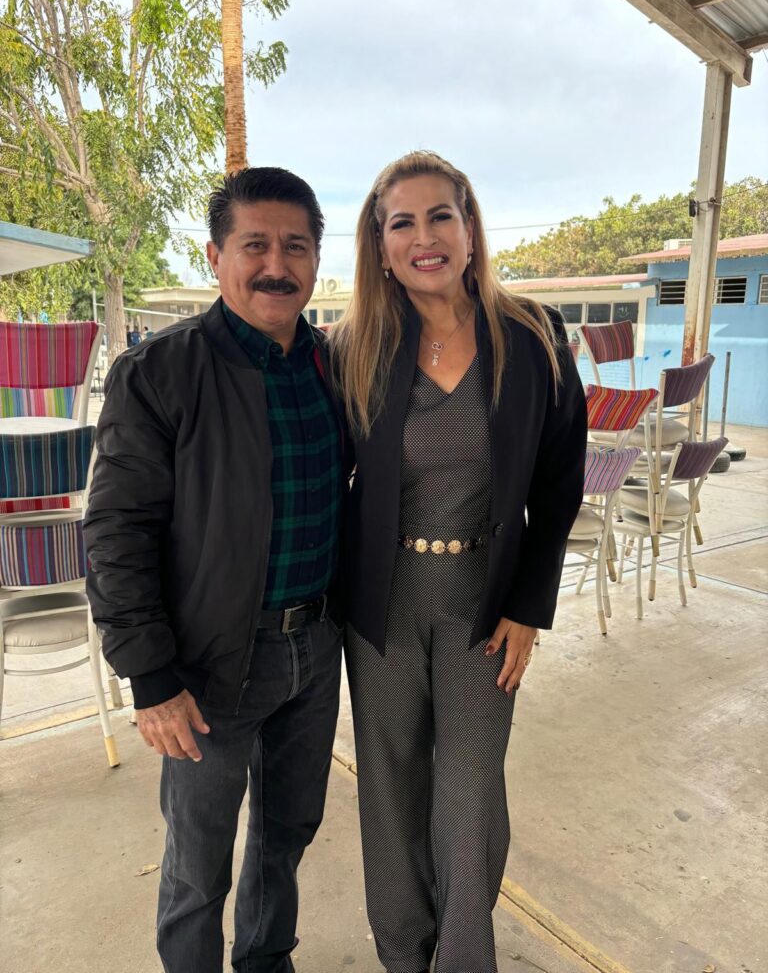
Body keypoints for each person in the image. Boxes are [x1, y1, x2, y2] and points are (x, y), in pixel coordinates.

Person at [84, 167, 348, 973]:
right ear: (215, 255)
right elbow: (117, 531)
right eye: (254, 245)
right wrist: (150, 676)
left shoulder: (332, 366)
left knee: (286, 833)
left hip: (315, 646)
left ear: (316, 259)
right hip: (207, 663)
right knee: (199, 862)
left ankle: (265, 960)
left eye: (295, 247)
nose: (276, 266)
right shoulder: (159, 372)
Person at [330, 151, 587, 973]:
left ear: (470, 228)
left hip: (485, 600)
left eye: (441, 215)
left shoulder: (533, 336)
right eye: (401, 223)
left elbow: (560, 484)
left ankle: (464, 958)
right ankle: (404, 954)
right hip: (382, 603)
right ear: (380, 247)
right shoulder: (353, 347)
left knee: (469, 791)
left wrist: (530, 608)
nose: (425, 237)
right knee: (390, 785)